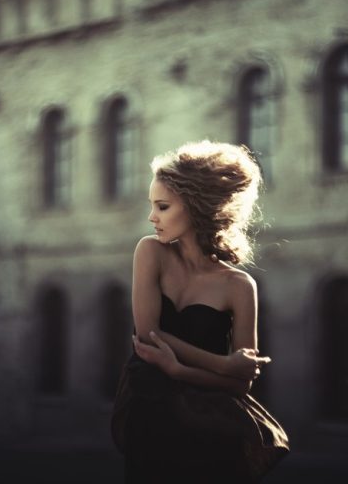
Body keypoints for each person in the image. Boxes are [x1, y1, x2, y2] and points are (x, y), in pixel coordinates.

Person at [111, 140, 289, 483]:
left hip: (209, 434)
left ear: (195, 206)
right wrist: (224, 364)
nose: (152, 217)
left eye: (163, 207)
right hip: (149, 418)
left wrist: (178, 370)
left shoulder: (240, 286)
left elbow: (240, 385)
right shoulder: (150, 251)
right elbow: (148, 336)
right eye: (152, 206)